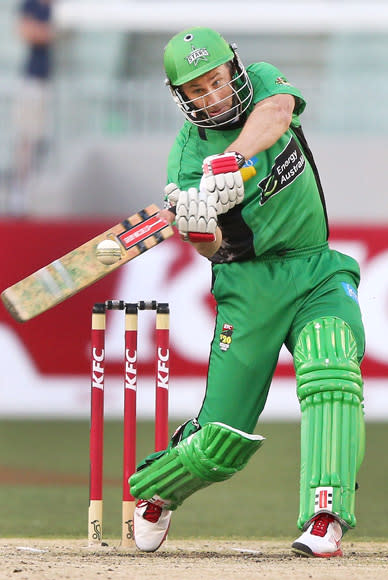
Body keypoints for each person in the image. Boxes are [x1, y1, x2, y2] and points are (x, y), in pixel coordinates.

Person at [129, 27, 366, 558]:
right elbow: (213, 249)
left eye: (217, 80)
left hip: (315, 269)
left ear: (234, 68)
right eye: (198, 90)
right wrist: (197, 230)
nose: (214, 96)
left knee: (331, 367)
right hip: (248, 285)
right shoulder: (185, 160)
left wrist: (232, 159)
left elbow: (279, 112)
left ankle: (325, 513)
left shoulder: (262, 84)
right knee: (221, 440)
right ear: (181, 99)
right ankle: (157, 490)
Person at [11, 0, 54, 213]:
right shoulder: (31, 5)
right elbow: (27, 32)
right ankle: (20, 194)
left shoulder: (57, 7)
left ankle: (34, 192)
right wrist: (51, 32)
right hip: (34, 82)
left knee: (39, 140)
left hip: (52, 83)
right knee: (28, 138)